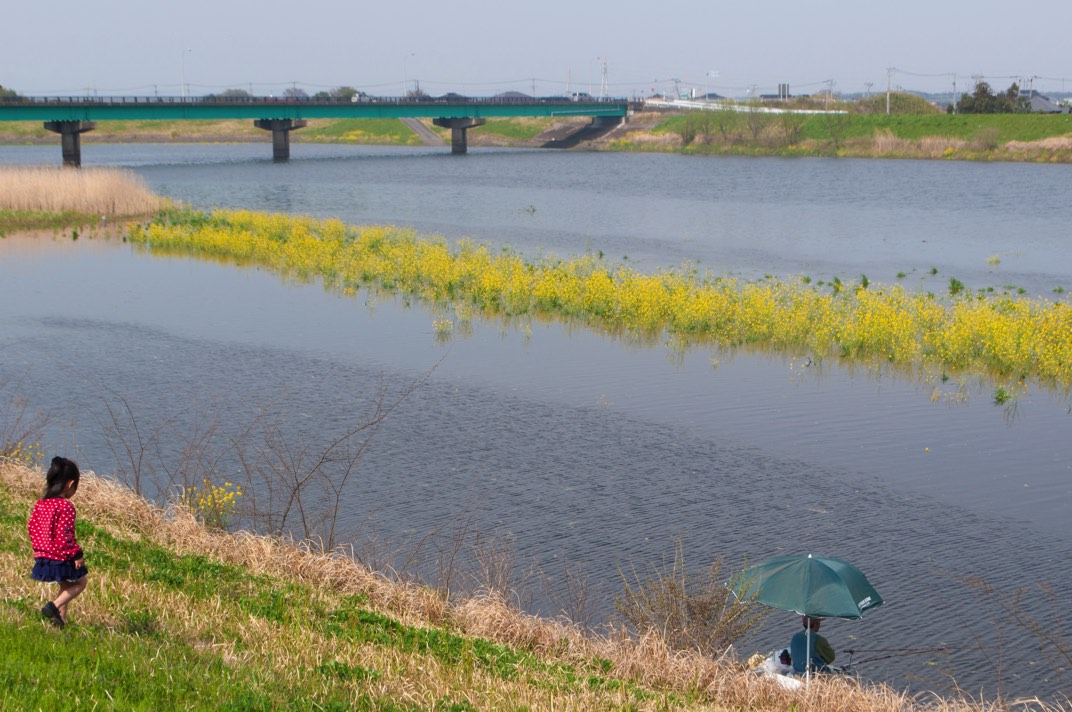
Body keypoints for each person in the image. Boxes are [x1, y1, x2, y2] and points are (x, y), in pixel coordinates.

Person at [27, 456, 88, 628]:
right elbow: (65, 535)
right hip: (60, 557)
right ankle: (53, 607)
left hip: (43, 556)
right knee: (80, 583)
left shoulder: (41, 504)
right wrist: (77, 554)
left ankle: (60, 622)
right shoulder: (65, 506)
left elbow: (32, 527)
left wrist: (39, 550)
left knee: (66, 586)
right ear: (70, 485)